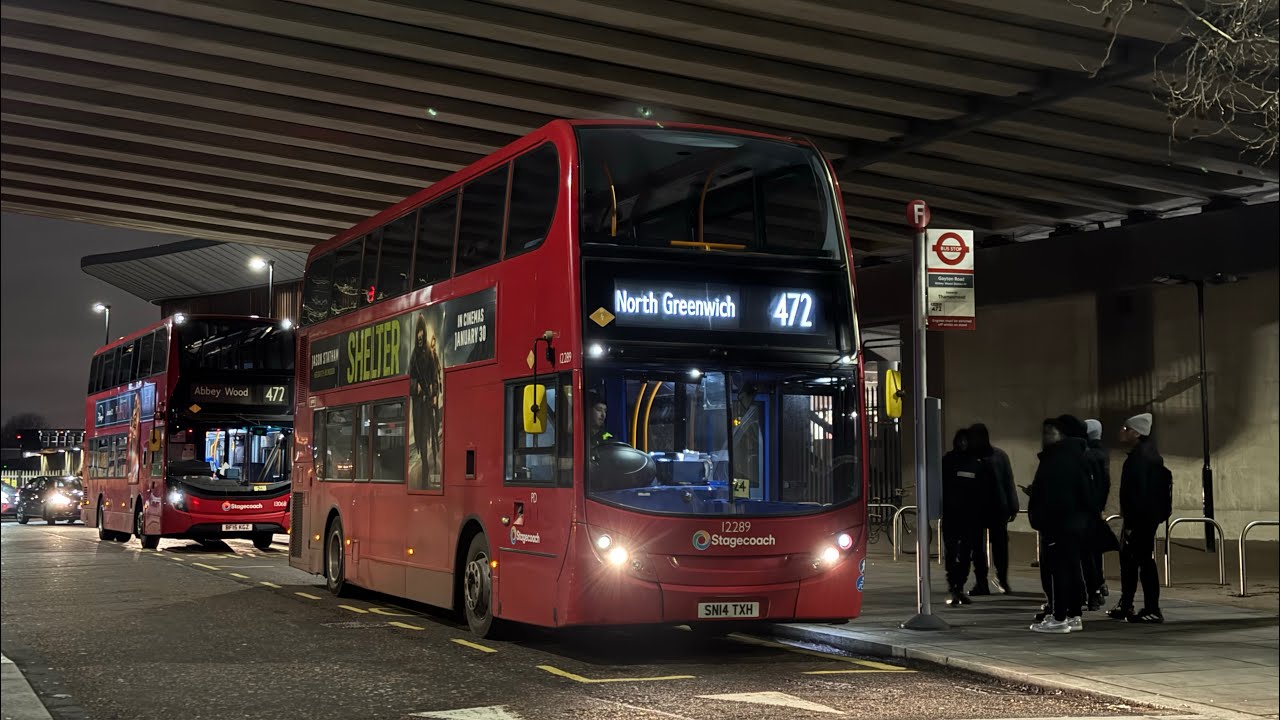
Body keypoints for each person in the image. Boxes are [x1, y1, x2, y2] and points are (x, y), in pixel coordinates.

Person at [1027, 415, 1093, 634]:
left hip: (1058, 523)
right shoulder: (1077, 456)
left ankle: (1059, 617)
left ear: (1062, 435)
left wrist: (1045, 515)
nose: (1045, 437)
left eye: (1050, 433)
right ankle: (1073, 614)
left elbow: (1054, 493)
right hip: (1073, 522)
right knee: (1072, 568)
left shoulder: (1057, 459)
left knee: (1058, 570)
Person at [1108, 413, 1168, 624]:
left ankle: (1152, 608)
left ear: (1137, 433)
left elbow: (1138, 495)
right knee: (1132, 561)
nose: (1122, 432)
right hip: (1144, 519)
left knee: (1142, 562)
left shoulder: (1141, 459)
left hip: (1140, 520)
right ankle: (1127, 604)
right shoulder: (1146, 455)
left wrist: (1132, 523)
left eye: (1126, 429)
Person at [968, 423, 1018, 595]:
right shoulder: (995, 456)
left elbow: (1007, 481)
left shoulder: (996, 456)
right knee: (982, 547)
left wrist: (1013, 505)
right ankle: (985, 581)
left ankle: (996, 580)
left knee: (995, 547)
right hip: (984, 507)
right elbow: (1008, 482)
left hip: (993, 507)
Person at [942, 429, 984, 606]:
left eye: (966, 441)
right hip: (953, 514)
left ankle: (959, 585)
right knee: (952, 553)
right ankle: (954, 585)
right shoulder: (949, 460)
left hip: (970, 516)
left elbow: (983, 488)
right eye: (960, 440)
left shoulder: (977, 462)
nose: (963, 444)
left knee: (966, 553)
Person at [1082, 419, 1117, 610]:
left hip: (1087, 510)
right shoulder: (1102, 453)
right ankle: (1098, 585)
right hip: (1095, 509)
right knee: (1093, 552)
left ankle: (1093, 590)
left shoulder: (1088, 455)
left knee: (1086, 554)